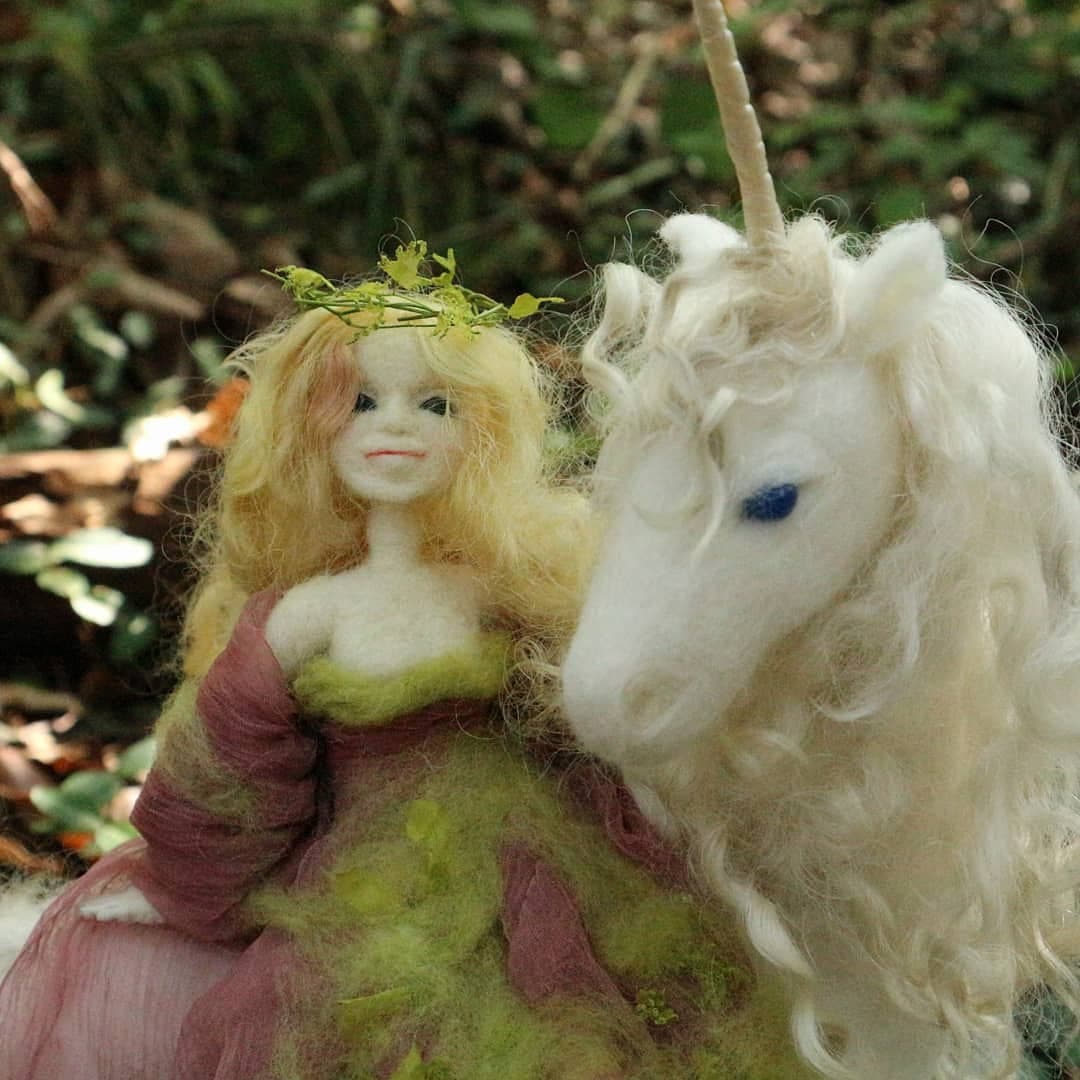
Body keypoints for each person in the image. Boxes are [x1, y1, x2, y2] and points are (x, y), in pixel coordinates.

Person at [0, 255, 807, 1079]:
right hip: (366, 890)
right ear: (308, 426)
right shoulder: (307, 614)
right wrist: (182, 884)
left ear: (482, 431)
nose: (397, 427)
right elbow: (236, 765)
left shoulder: (505, 591)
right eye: (360, 402)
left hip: (536, 883)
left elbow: (582, 730)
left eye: (435, 404)